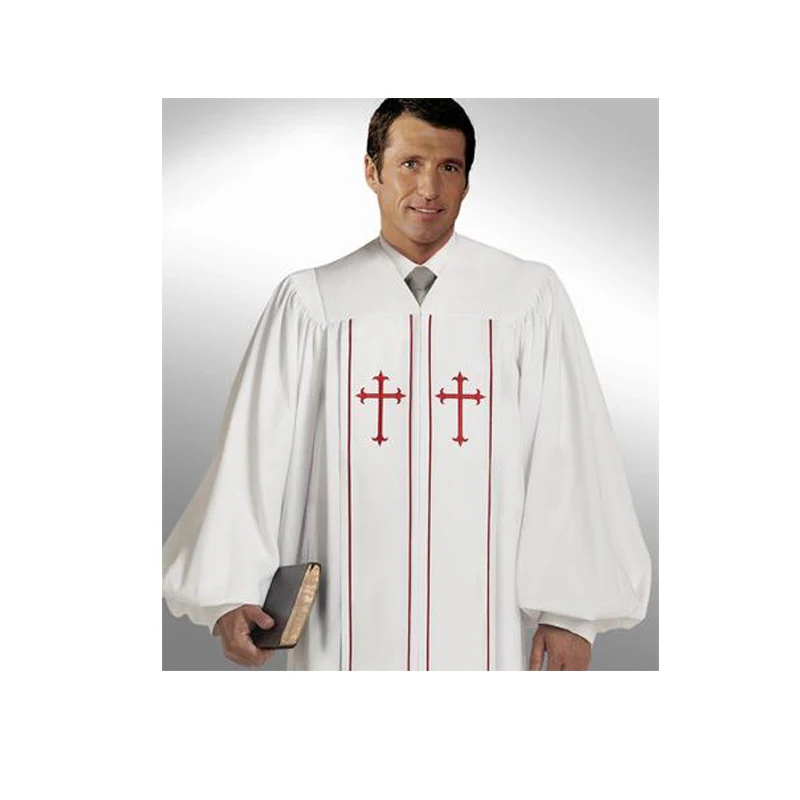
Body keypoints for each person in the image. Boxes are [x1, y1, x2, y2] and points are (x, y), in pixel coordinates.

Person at [162, 98, 652, 671]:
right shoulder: (314, 303)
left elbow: (568, 451)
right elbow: (255, 452)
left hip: (482, 626)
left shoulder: (525, 298)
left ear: (467, 181)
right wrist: (230, 593)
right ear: (372, 171)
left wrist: (571, 613)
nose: (429, 188)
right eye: (410, 164)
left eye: (449, 167)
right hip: (342, 629)